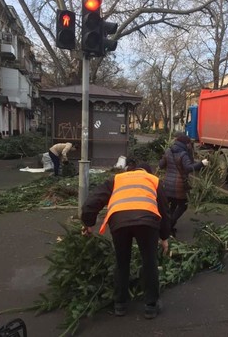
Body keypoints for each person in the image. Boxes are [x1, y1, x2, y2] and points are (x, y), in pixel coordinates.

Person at [81, 162, 170, 319]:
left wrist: (88, 223)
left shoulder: (117, 178)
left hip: (119, 221)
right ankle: (151, 306)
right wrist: (164, 237)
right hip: (147, 221)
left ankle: (120, 305)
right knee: (149, 262)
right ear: (147, 171)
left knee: (122, 262)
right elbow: (163, 209)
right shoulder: (153, 179)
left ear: (130, 170)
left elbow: (93, 200)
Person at [158, 133, 208, 236]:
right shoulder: (183, 154)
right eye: (189, 144)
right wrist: (202, 164)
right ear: (185, 143)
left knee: (172, 206)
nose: (190, 146)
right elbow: (188, 168)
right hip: (179, 186)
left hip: (167, 185)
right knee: (183, 206)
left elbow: (161, 165)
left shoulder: (168, 151)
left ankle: (169, 228)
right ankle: (169, 225)